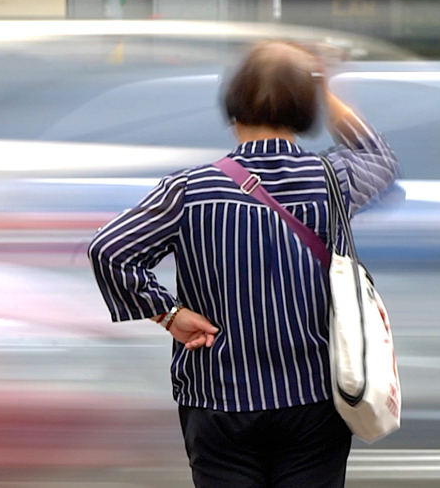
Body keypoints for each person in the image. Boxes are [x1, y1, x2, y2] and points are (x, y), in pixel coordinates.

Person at [88, 41, 399, 488]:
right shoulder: (333, 182)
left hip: (218, 398)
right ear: (304, 112)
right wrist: (322, 89)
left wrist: (169, 314)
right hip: (313, 398)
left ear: (233, 107)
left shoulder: (188, 191)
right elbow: (379, 157)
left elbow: (110, 248)